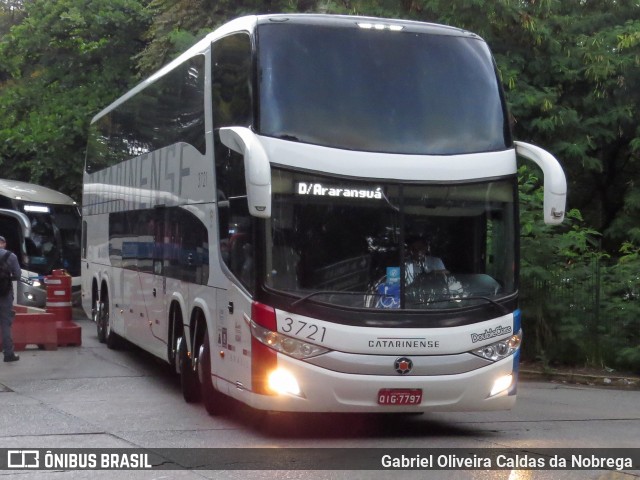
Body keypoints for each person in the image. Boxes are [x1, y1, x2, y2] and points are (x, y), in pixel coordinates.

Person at [0, 235, 21, 362]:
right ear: (4, 243)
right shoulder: (11, 256)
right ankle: (8, 354)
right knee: (6, 324)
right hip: (5, 294)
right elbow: (18, 275)